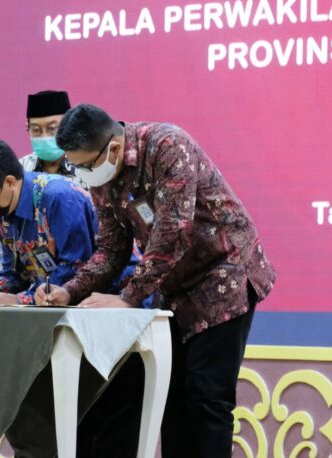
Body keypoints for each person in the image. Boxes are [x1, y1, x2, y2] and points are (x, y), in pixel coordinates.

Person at [36, 104, 277, 457]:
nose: (83, 175)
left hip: (223, 273)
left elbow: (173, 232)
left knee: (208, 396)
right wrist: (69, 291)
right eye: (77, 168)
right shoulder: (102, 179)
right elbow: (111, 250)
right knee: (172, 397)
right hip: (174, 286)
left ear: (113, 148)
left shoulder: (167, 146)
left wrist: (128, 298)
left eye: (86, 165)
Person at [0, 137, 96, 306]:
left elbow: (75, 270)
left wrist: (20, 299)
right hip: (50, 306)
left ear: (10, 182)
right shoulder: (2, 212)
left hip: (98, 304)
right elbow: (14, 275)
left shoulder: (59, 198)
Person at [0, 90, 87, 276]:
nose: (44, 136)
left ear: (69, 127)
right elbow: (5, 236)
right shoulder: (18, 172)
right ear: (27, 128)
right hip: (30, 282)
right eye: (36, 130)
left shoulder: (87, 167)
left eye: (52, 129)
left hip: (83, 276)